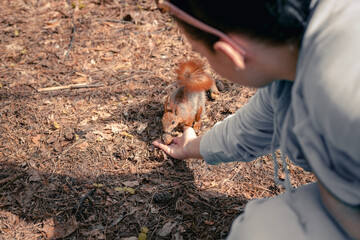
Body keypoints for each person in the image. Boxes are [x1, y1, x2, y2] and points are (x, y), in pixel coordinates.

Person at [153, 0, 360, 239]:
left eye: (202, 54)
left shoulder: (343, 100)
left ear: (230, 54)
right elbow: (249, 129)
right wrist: (190, 147)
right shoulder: (289, 66)